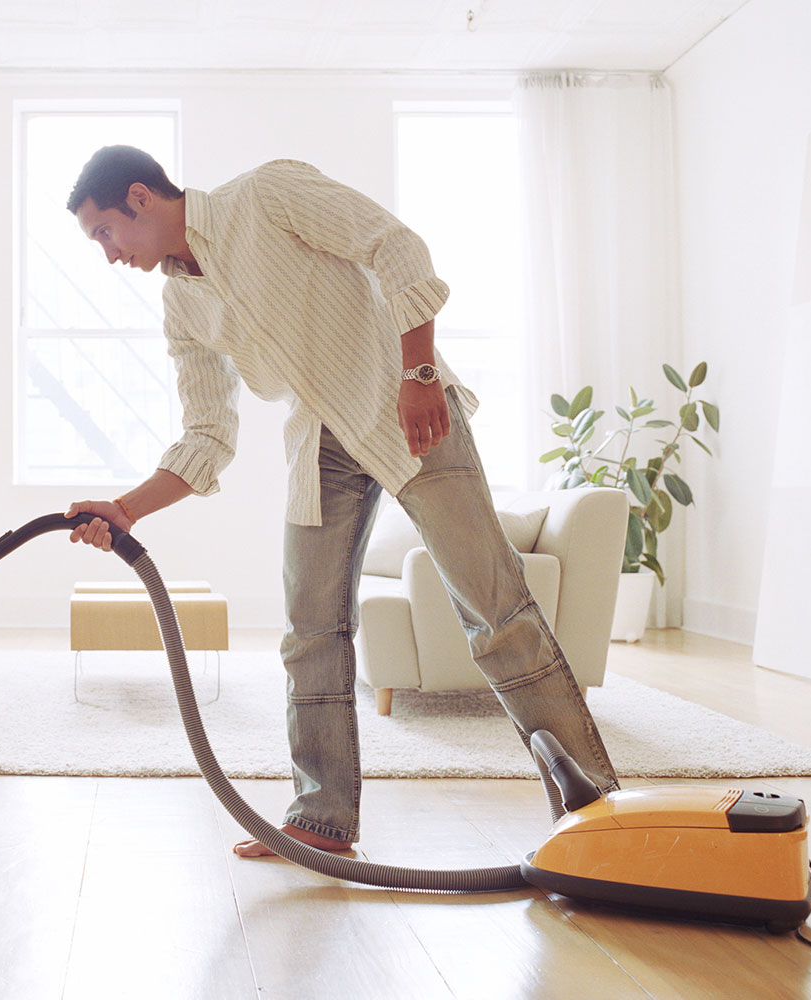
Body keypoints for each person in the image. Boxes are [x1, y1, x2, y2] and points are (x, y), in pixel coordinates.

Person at [62, 145, 617, 859]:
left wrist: (419, 372)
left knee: (496, 613)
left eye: (104, 233)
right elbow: (208, 433)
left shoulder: (265, 194)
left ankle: (596, 811)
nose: (108, 256)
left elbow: (396, 247)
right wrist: (127, 508)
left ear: (139, 198)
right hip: (319, 442)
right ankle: (321, 820)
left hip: (407, 409)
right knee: (310, 632)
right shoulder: (181, 304)